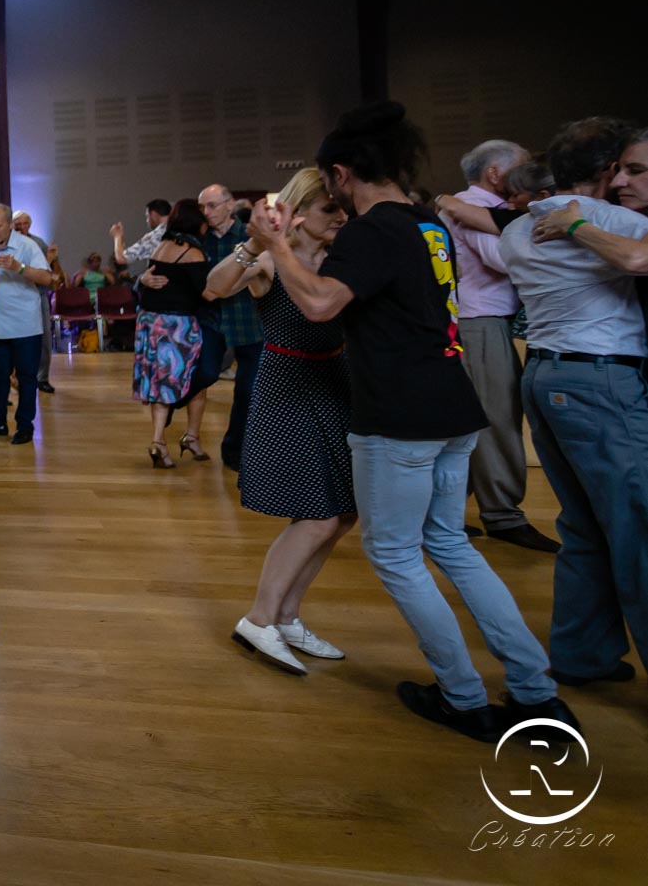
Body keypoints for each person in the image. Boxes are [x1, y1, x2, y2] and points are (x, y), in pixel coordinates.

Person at [247, 101, 576, 742]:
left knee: (395, 554)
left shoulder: (373, 231)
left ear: (341, 173)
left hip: (400, 417)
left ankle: (461, 695)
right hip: (453, 405)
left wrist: (276, 244)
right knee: (448, 544)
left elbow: (317, 304)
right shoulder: (428, 224)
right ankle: (536, 690)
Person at [501, 118, 648, 689]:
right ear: (608, 170)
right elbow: (638, 260)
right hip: (600, 384)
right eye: (627, 169)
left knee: (583, 528)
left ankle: (582, 656)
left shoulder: (516, 231)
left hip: (542, 376)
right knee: (637, 530)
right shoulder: (619, 222)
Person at [206, 169, 356, 674]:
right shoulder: (271, 257)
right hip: (288, 383)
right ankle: (260, 617)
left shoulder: (344, 257)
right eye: (327, 209)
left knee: (342, 512)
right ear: (298, 211)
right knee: (317, 514)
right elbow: (216, 286)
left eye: (340, 207)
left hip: (336, 381)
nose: (339, 216)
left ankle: (287, 615)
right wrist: (254, 244)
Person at [439, 140, 562, 552]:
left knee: (483, 420)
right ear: (495, 173)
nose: (525, 176)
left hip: (482, 322)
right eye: (520, 167)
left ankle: (457, 512)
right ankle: (503, 516)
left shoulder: (469, 205)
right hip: (480, 322)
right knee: (497, 418)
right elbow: (504, 259)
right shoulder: (472, 205)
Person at [132, 199, 209, 468]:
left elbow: (147, 282)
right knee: (189, 381)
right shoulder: (192, 252)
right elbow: (208, 293)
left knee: (158, 384)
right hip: (177, 326)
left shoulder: (163, 246)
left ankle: (158, 441)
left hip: (149, 322)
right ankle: (184, 437)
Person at [197, 184, 264, 471]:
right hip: (212, 322)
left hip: (250, 321)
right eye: (203, 207)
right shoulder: (200, 240)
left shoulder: (249, 236)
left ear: (229, 205)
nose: (206, 212)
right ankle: (190, 435)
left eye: (212, 205)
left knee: (248, 391)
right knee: (204, 374)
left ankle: (236, 449)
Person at [0, 203, 54, 444]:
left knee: (26, 377)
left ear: (10, 225)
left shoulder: (27, 246)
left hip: (25, 324)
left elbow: (47, 277)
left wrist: (18, 267)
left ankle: (25, 425)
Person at [11, 210, 64, 393]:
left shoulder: (38, 243)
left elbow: (53, 274)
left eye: (25, 223)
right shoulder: (10, 244)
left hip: (38, 295)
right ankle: (18, 377)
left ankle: (42, 378)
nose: (22, 227)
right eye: (18, 223)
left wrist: (53, 258)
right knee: (18, 339)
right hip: (17, 295)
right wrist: (46, 260)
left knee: (44, 339)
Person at [112, 199, 172, 271]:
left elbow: (122, 258)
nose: (147, 220)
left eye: (147, 216)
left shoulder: (154, 236)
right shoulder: (182, 232)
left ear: (153, 214)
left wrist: (117, 237)